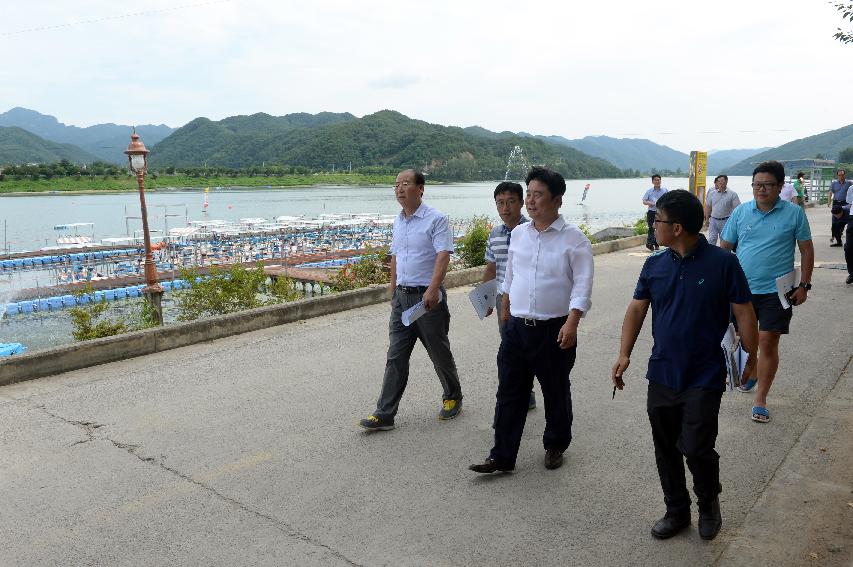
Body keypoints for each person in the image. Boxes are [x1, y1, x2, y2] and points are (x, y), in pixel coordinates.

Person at [611, 190, 758, 541]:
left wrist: (750, 357)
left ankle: (708, 503)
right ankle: (676, 510)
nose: (653, 225)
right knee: (665, 446)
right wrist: (624, 353)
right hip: (662, 371)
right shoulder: (654, 264)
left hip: (705, 373)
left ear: (676, 227)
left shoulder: (723, 263)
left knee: (695, 445)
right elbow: (636, 309)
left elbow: (743, 312)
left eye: (657, 219)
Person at [469, 167, 593, 474]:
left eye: (538, 195)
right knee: (510, 392)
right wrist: (506, 308)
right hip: (516, 328)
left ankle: (555, 444)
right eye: (530, 194)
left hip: (554, 329)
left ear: (557, 200)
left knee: (555, 391)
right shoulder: (519, 235)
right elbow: (511, 274)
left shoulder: (574, 239)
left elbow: (582, 285)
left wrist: (573, 322)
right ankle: (502, 456)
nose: (531, 201)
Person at [359, 169, 463, 431]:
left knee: (438, 352)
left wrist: (432, 289)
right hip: (402, 299)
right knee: (395, 356)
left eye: (405, 184)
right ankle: (384, 414)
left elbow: (443, 255)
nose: (399, 189)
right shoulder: (398, 221)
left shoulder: (435, 219)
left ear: (420, 189)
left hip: (426, 299)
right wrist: (392, 289)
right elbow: (395, 256)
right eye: (396, 185)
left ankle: (453, 396)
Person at [720, 160, 814, 424]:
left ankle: (760, 399)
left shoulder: (794, 213)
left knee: (768, 341)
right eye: (757, 185)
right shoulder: (741, 213)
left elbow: (806, 250)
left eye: (768, 185)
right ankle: (749, 370)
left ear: (780, 186)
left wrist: (805, 285)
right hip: (740, 291)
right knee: (741, 340)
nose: (761, 190)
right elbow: (724, 247)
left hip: (777, 292)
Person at [481, 181, 535, 410]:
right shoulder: (494, 234)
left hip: (528, 300)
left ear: (521, 203)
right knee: (509, 347)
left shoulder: (534, 230)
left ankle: (524, 392)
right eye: (500, 203)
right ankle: (520, 395)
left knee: (529, 348)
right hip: (503, 299)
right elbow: (492, 268)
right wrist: (485, 299)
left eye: (511, 202)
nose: (505, 208)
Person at [703, 174, 741, 246]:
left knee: (724, 240)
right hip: (713, 220)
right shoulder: (712, 193)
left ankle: (723, 255)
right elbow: (708, 207)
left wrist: (735, 222)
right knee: (712, 239)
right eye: (719, 181)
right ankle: (711, 255)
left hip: (726, 221)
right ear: (716, 183)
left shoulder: (732, 194)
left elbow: (737, 209)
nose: (720, 183)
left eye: (722, 181)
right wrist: (707, 219)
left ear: (726, 182)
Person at [642, 175, 668, 251]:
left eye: (659, 180)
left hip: (661, 212)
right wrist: (649, 203)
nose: (657, 181)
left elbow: (669, 199)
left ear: (660, 181)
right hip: (651, 212)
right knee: (651, 227)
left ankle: (656, 244)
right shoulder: (649, 191)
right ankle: (650, 244)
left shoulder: (665, 190)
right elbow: (644, 201)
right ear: (652, 181)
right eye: (655, 180)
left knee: (659, 228)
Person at [829, 168, 852, 246]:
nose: (841, 176)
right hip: (836, 203)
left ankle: (841, 230)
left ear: (844, 175)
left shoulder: (849, 183)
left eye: (842, 175)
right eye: (839, 175)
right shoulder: (834, 183)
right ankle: (836, 238)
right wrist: (829, 201)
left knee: (845, 223)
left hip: (845, 203)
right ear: (837, 176)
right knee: (835, 223)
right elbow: (830, 192)